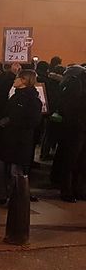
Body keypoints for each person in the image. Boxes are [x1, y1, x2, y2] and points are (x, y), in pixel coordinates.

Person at [0, 70, 42, 205]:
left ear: (24, 80)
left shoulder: (33, 100)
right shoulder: (14, 97)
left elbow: (33, 121)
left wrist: (11, 121)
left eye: (17, 78)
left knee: (15, 172)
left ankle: (15, 200)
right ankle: (1, 195)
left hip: (20, 141)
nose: (15, 80)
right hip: (7, 138)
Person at [54, 65, 86, 202]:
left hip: (77, 126)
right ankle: (69, 190)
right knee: (72, 159)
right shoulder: (76, 83)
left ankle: (77, 189)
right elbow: (70, 106)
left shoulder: (75, 81)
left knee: (78, 160)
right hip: (76, 127)